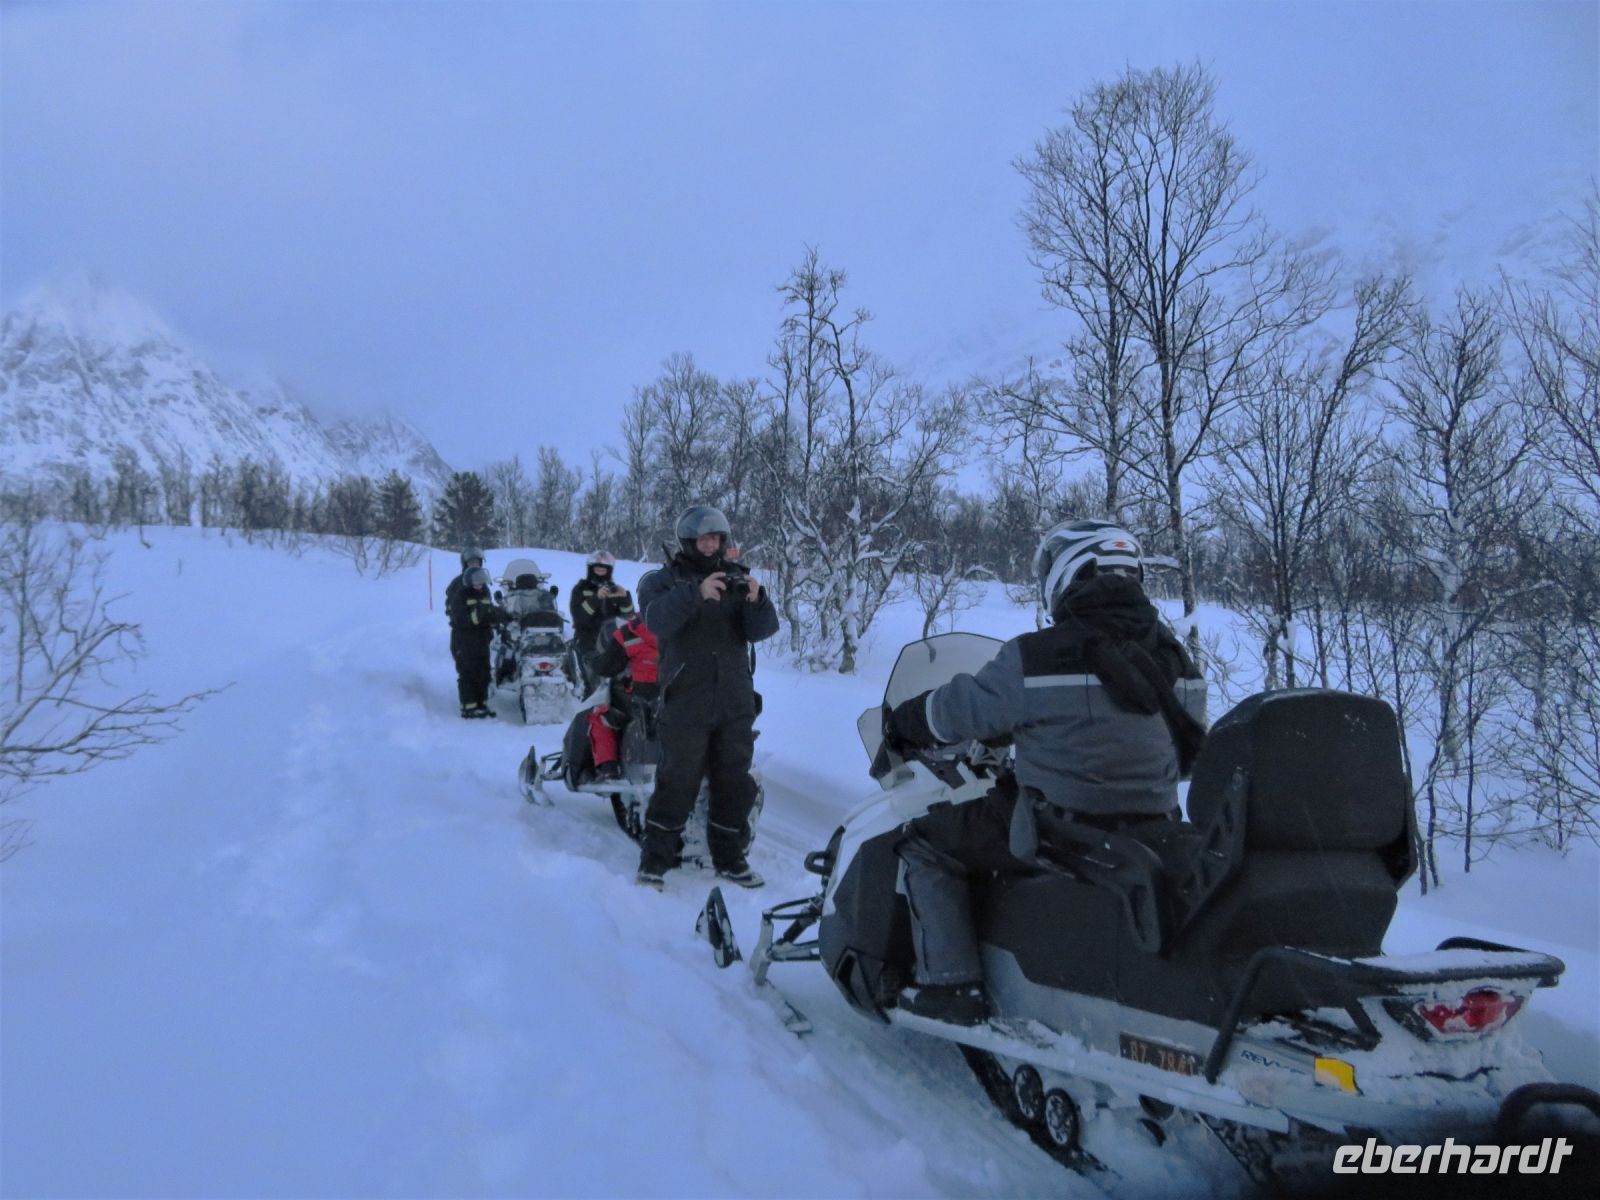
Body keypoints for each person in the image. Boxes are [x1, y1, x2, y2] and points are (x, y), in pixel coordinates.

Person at [883, 519, 1208, 1024]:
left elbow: (956, 713)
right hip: (1153, 830)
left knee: (924, 844)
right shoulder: (1175, 660)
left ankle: (951, 986)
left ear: (1066, 574)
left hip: (1058, 830)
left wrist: (906, 720)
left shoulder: (1037, 656)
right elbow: (1186, 756)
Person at [635, 505, 779, 890]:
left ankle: (730, 858)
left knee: (733, 783)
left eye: (716, 538)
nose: (710, 544)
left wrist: (756, 601)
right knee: (676, 782)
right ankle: (654, 862)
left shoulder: (736, 578)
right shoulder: (662, 582)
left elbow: (764, 630)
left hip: (734, 701)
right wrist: (694, 594)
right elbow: (655, 621)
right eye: (703, 538)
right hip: (686, 700)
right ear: (687, 542)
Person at [585, 613, 660, 783]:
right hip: (682, 700)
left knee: (600, 717)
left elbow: (607, 667)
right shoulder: (693, 627)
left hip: (642, 702)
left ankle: (608, 769)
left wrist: (591, 660)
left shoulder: (630, 632)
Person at [447, 564, 507, 718]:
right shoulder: (461, 595)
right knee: (468, 673)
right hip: (464, 640)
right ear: (469, 582)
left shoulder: (485, 593)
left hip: (482, 640)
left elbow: (490, 613)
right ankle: (469, 707)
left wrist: (502, 615)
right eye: (476, 582)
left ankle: (482, 704)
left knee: (484, 672)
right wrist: (477, 615)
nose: (479, 585)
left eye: (481, 581)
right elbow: (460, 619)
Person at [570, 551, 635, 662]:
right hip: (588, 636)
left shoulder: (613, 589)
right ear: (591, 570)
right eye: (597, 570)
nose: (600, 573)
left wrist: (625, 599)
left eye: (603, 570)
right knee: (592, 665)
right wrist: (596, 598)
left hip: (611, 635)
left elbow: (628, 617)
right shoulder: (581, 589)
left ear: (609, 571)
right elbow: (579, 616)